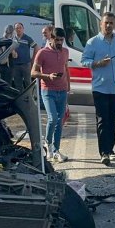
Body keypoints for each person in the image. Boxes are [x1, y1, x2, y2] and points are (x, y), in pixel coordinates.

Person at [81, 12, 115, 165]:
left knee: (112, 120)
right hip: (100, 87)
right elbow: (84, 60)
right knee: (102, 120)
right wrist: (97, 63)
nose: (108, 26)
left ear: (114, 25)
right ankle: (103, 152)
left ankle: (110, 149)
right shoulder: (93, 42)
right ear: (101, 24)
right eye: (106, 23)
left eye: (111, 23)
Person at [32, 28, 71, 162]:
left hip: (62, 90)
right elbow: (33, 73)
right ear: (51, 38)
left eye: (62, 40)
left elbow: (66, 69)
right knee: (53, 118)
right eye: (57, 39)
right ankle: (47, 143)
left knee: (60, 121)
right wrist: (47, 76)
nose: (60, 42)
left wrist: (68, 87)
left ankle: (56, 150)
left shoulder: (65, 51)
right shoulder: (42, 53)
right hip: (48, 90)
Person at [11, 22, 38, 92]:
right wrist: (13, 51)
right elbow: (9, 48)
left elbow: (36, 47)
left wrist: (33, 59)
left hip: (26, 64)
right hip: (15, 65)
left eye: (20, 28)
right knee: (18, 84)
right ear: (14, 30)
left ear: (23, 29)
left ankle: (30, 97)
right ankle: (21, 99)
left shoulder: (27, 38)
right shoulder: (12, 39)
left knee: (28, 83)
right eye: (17, 28)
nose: (18, 29)